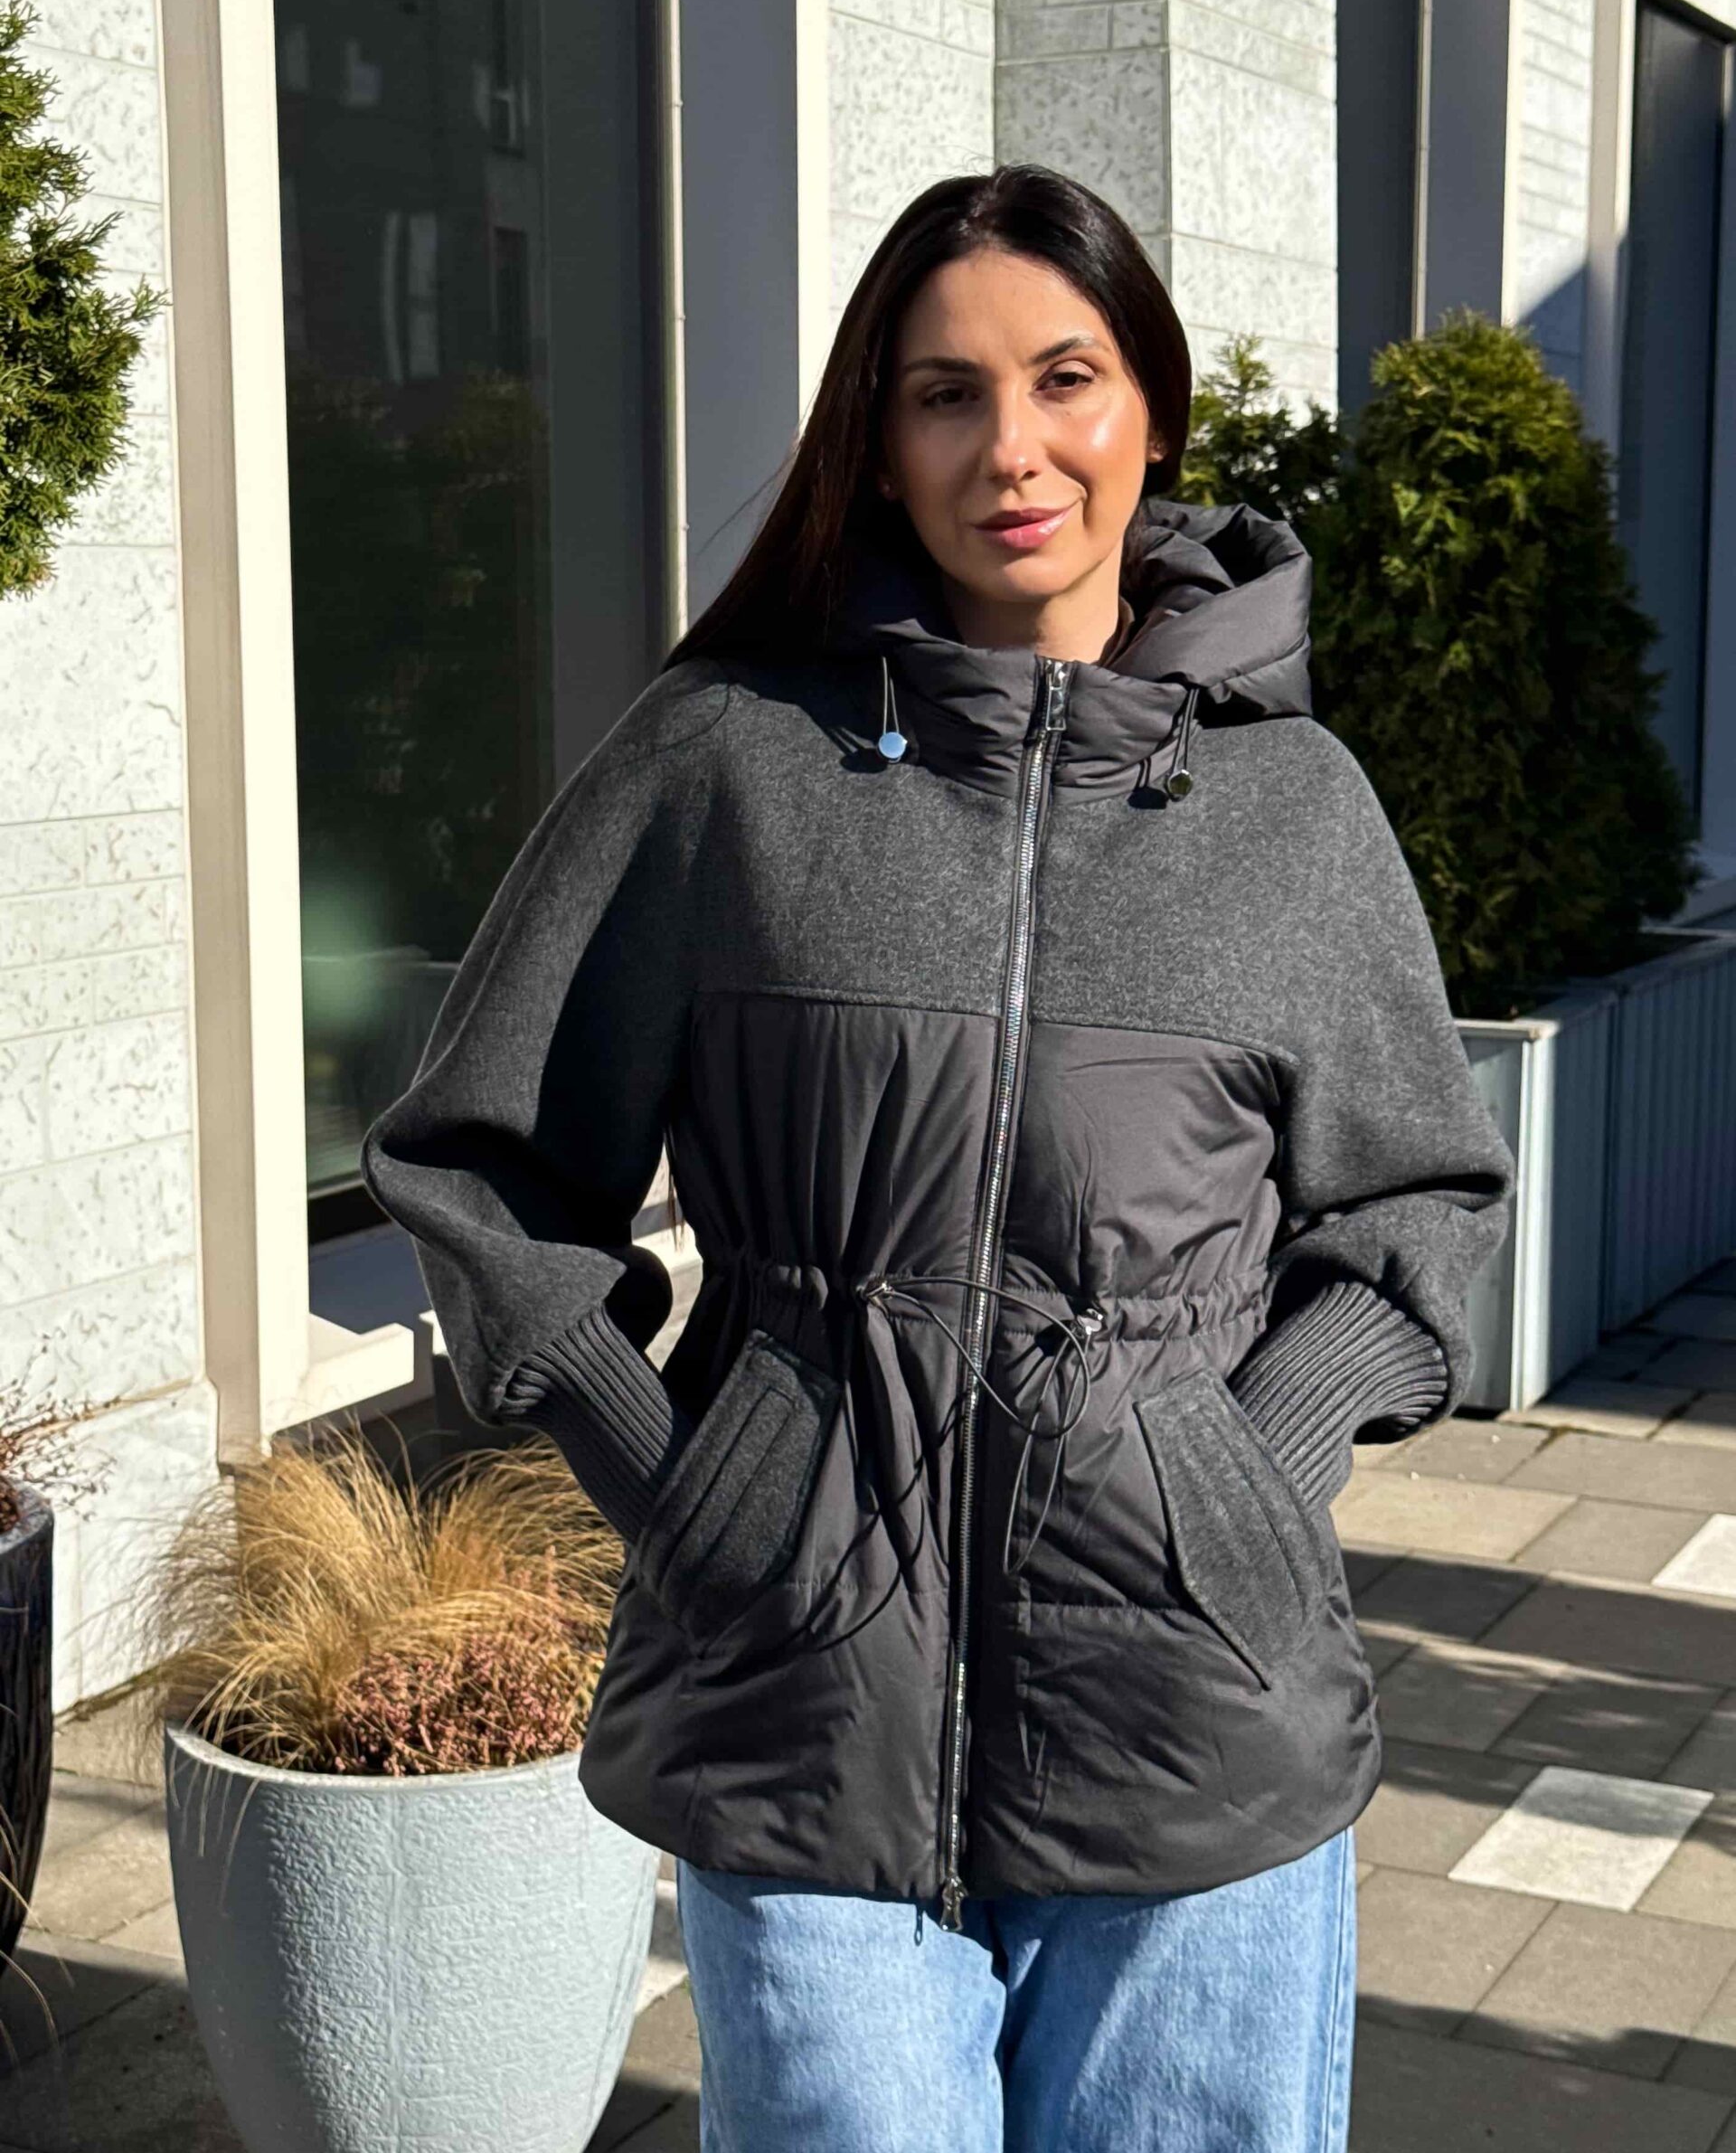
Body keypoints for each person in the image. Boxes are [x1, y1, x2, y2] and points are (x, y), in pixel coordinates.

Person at [360, 163, 1515, 2152]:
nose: (1012, 450)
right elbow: (481, 1164)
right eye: (943, 394)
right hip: (802, 1704)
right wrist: (690, 1491)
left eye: (1065, 379)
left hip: (1197, 1724)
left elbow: (1419, 1199)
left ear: (1152, 410)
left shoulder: (1294, 812)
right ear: (879, 443)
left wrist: (1247, 1470)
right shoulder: (726, 762)